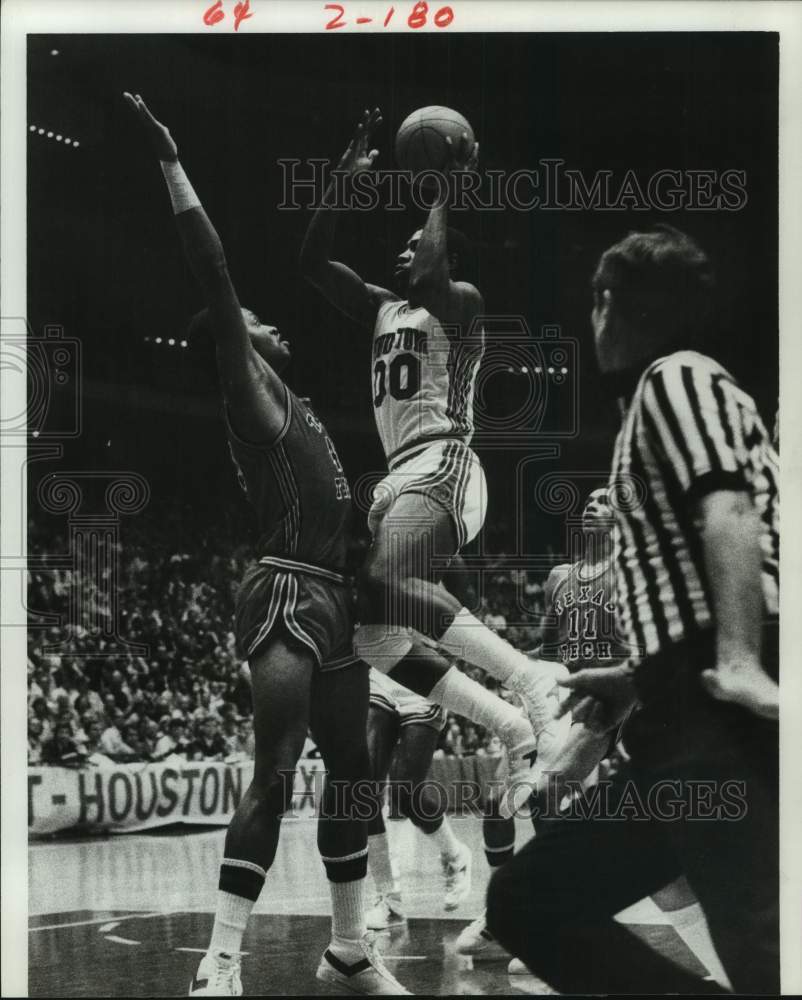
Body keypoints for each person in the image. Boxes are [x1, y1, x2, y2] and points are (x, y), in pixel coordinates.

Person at [125, 92, 408, 996]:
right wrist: (172, 161)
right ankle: (219, 964)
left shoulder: (305, 412)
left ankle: (351, 944)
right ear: (234, 347)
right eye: (256, 323)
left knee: (354, 768)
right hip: (287, 588)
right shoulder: (247, 390)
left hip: (335, 593)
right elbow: (213, 273)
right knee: (275, 771)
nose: (271, 325)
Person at [486, 225, 779, 994]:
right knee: (528, 898)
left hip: (716, 711)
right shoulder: (683, 389)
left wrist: (741, 660)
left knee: (760, 945)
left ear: (613, 303)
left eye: (598, 303)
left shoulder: (673, 379)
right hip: (678, 703)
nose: (593, 321)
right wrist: (637, 674)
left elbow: (729, 510)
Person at [301, 109, 565, 805]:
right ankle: (508, 723)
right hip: (397, 477)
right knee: (372, 630)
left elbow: (428, 277)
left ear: (442, 257)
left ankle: (530, 680)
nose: (405, 250)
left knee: (386, 576)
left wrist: (445, 186)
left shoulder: (460, 303)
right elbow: (310, 264)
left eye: (417, 243)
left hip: (447, 461)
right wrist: (341, 183)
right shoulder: (384, 309)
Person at [364, 667, 471, 930]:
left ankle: (456, 856)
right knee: (363, 792)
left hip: (424, 681)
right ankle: (389, 898)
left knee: (405, 792)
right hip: (378, 677)